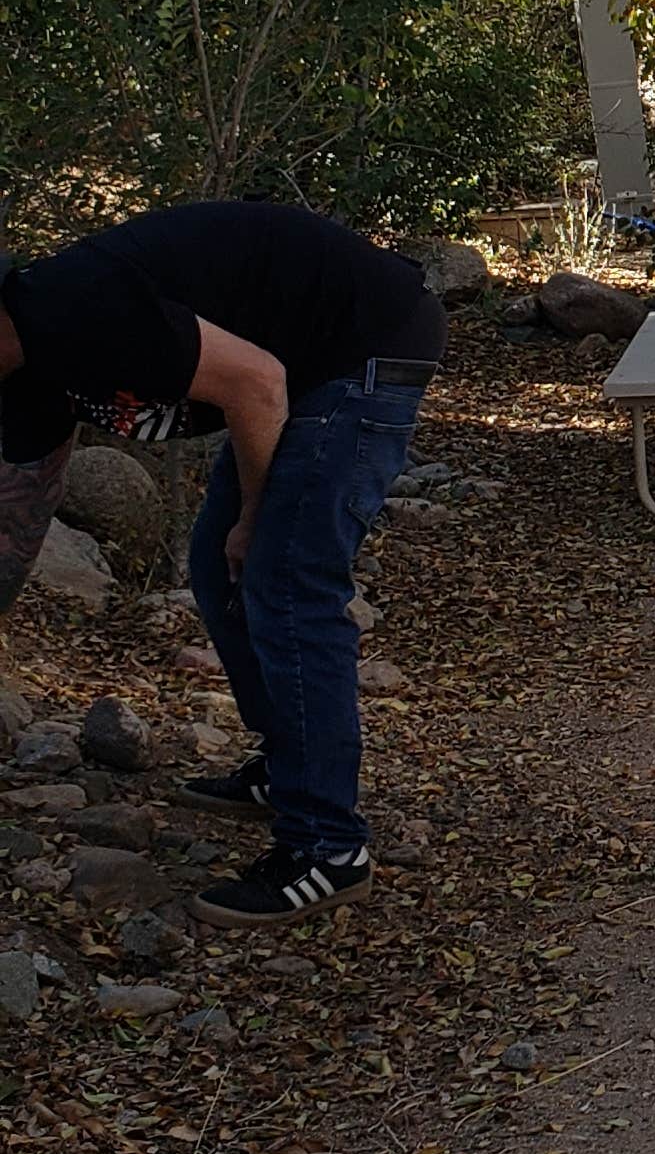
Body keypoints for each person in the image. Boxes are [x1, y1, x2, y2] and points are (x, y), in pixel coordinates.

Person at [0, 200, 445, 931]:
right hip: (296, 369)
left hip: (361, 342)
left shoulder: (76, 309)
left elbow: (257, 382)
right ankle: (289, 770)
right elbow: (22, 508)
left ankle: (326, 847)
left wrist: (254, 516)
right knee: (215, 569)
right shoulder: (26, 369)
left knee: (286, 581)